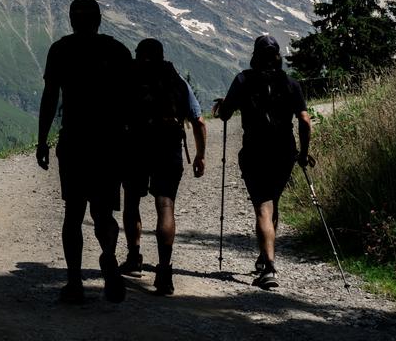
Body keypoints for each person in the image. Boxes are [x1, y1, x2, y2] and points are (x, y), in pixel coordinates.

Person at [36, 0, 133, 303]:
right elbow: (130, 102)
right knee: (104, 212)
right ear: (99, 19)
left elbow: (50, 96)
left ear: (71, 20)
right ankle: (108, 257)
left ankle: (75, 281)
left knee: (73, 213)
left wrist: (42, 140)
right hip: (109, 142)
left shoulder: (61, 50)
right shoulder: (117, 50)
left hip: (75, 140)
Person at [212, 35, 312, 289]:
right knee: (272, 202)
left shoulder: (243, 80)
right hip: (285, 151)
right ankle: (264, 255)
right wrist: (303, 152)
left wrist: (222, 107)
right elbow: (304, 120)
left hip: (255, 150)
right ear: (277, 56)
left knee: (263, 208)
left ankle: (269, 268)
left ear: (255, 56)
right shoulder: (291, 84)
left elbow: (225, 114)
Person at [120, 38, 206, 295]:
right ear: (161, 55)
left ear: (139, 55)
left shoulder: (129, 80)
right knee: (165, 205)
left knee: (132, 201)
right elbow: (199, 121)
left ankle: (134, 258)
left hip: (135, 147)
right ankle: (165, 271)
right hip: (168, 148)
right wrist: (200, 155)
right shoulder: (176, 81)